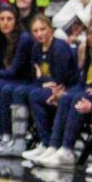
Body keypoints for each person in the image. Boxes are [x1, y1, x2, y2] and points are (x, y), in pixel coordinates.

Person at [21, 14, 81, 163]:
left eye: (43, 29)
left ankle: (48, 143)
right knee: (31, 93)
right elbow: (34, 75)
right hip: (50, 88)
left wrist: (42, 79)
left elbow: (59, 80)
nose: (40, 34)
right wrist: (42, 80)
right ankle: (45, 143)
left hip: (68, 89)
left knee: (35, 95)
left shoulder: (60, 47)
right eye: (35, 31)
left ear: (51, 29)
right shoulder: (36, 47)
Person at [0, 8, 35, 157]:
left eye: (9, 19)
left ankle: (16, 138)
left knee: (4, 87)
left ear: (16, 21)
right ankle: (4, 135)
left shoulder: (24, 39)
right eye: (2, 19)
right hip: (13, 80)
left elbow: (13, 72)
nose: (5, 23)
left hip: (27, 80)